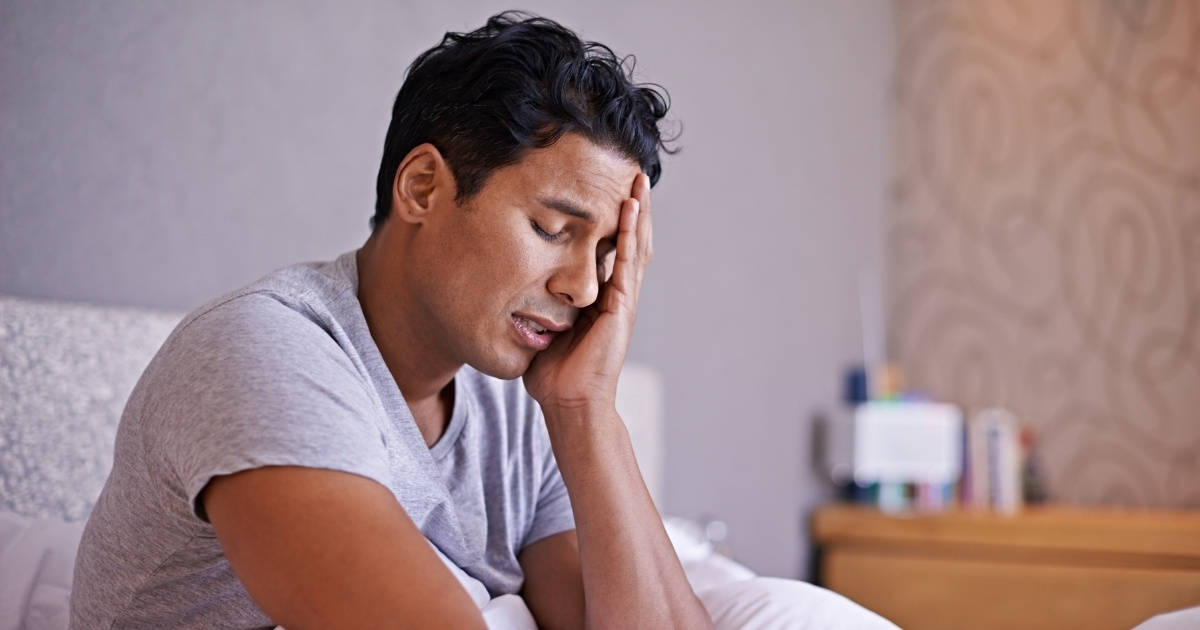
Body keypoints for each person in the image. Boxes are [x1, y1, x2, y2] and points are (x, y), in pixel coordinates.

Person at [71, 10, 898, 630]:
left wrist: (585, 413)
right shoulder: (266, 354)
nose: (582, 286)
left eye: (608, 250)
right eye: (552, 228)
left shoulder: (517, 404)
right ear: (423, 187)